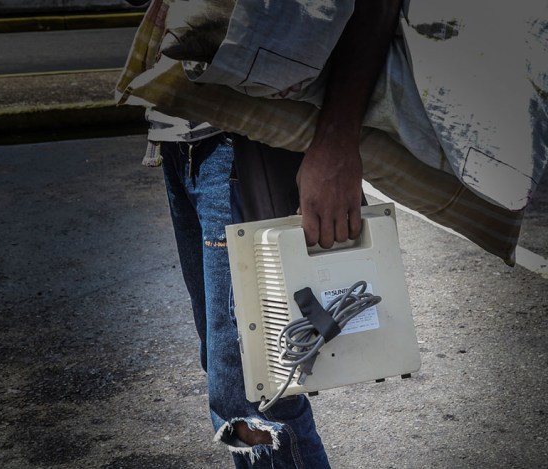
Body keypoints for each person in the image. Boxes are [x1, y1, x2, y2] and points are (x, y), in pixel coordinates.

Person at [135, 1, 404, 467]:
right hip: (181, 138)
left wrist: (337, 139)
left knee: (251, 395)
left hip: (244, 139)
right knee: (235, 376)